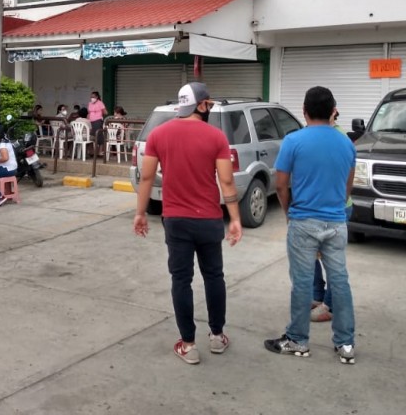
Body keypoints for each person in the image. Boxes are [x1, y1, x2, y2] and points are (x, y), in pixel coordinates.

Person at [134, 82, 243, 365]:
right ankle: (217, 336)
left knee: (181, 280)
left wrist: (140, 213)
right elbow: (227, 180)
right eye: (208, 104)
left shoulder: (159, 135)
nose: (210, 108)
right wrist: (234, 218)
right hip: (208, 219)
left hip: (176, 220)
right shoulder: (217, 137)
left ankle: (189, 344)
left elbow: (146, 178)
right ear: (201, 105)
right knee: (214, 276)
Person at [264, 86, 357, 365]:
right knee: (340, 282)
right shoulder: (347, 143)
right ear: (333, 111)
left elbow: (281, 185)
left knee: (302, 284)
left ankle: (297, 341)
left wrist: (290, 214)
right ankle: (346, 344)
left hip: (303, 220)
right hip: (337, 221)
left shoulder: (293, 141)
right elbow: (347, 190)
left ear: (304, 112)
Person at [311, 110, 354, 323]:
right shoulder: (314, 134)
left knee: (331, 260)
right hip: (318, 208)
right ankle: (317, 295)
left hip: (334, 209)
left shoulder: (339, 139)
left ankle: (330, 306)